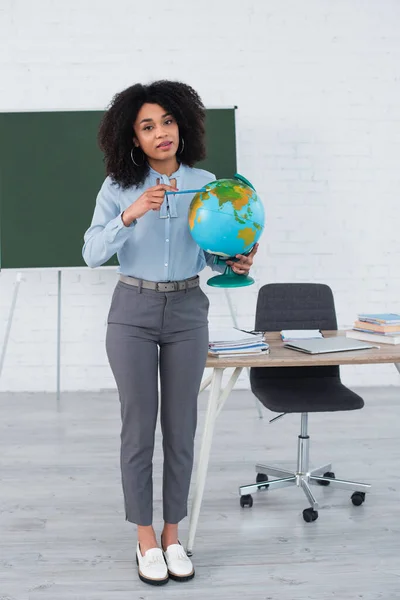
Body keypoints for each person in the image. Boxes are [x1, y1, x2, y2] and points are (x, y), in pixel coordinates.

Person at [82, 80, 258, 586]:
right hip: (132, 311)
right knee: (139, 429)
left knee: (182, 428)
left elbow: (209, 252)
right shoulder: (117, 186)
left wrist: (235, 256)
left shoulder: (206, 183)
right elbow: (92, 252)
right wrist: (131, 214)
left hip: (187, 310)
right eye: (147, 126)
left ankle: (172, 534)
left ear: (182, 125)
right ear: (132, 138)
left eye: (167, 122)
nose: (161, 133)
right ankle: (144, 539)